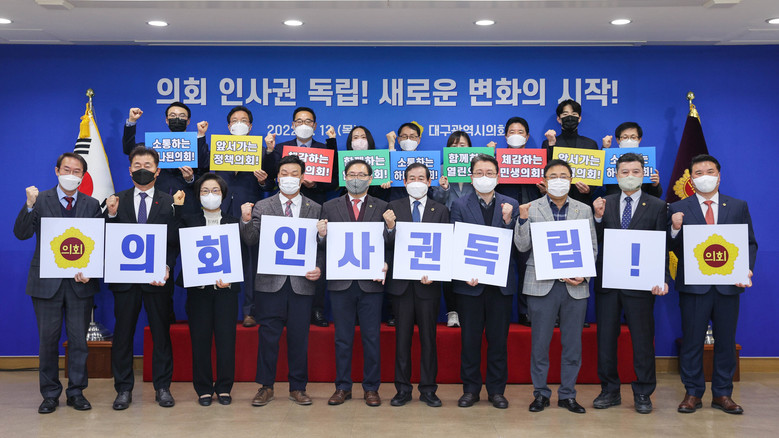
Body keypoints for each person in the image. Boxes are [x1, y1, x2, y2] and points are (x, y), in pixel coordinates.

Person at [14, 153, 102, 414]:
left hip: (80, 284)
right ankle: (50, 394)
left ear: (83, 176)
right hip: (46, 284)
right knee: (48, 342)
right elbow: (21, 233)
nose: (71, 175)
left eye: (77, 171)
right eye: (66, 169)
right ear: (56, 171)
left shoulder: (91, 204)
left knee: (79, 342)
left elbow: (98, 242)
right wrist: (29, 205)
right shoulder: (40, 199)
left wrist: (92, 271)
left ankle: (76, 392)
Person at [669, 154, 756, 415]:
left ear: (719, 176)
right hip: (694, 287)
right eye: (698, 173)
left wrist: (747, 268)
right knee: (692, 341)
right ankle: (693, 393)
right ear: (691, 179)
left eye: (710, 171)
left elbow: (749, 242)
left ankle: (722, 394)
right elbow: (670, 246)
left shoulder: (737, 206)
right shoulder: (677, 207)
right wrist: (674, 229)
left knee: (726, 341)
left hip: (728, 285)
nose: (704, 176)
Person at [515, 159, 597, 414]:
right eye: (553, 176)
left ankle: (568, 395)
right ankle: (540, 394)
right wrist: (522, 219)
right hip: (541, 285)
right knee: (540, 344)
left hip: (575, 287)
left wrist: (584, 275)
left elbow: (592, 247)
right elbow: (521, 246)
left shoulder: (583, 209)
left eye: (563, 175)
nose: (558, 180)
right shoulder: (532, 208)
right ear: (544, 181)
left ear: (570, 180)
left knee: (572, 345)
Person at [240, 155, 323, 407]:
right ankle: (265, 386)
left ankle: (298, 387)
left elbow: (320, 246)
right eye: (284, 173)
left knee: (299, 337)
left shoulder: (315, 208)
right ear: (277, 178)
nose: (289, 178)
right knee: (268, 337)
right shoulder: (263, 206)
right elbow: (251, 240)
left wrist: (319, 267)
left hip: (301, 283)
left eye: (294, 173)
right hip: (270, 283)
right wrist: (246, 220)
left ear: (303, 177)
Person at [591, 153, 669, 414]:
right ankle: (609, 390)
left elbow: (662, 244)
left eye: (636, 172)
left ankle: (643, 392)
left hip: (641, 284)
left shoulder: (657, 205)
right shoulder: (604, 203)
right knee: (606, 338)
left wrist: (662, 278)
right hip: (609, 282)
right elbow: (594, 240)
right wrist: (598, 218)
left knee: (643, 339)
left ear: (643, 174)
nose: (630, 176)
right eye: (624, 172)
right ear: (616, 175)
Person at [105, 146, 180, 410]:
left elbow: (175, 241)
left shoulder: (170, 202)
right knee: (123, 336)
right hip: (125, 282)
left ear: (157, 171)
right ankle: (123, 389)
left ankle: (163, 388)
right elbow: (106, 238)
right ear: (129, 170)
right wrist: (110, 215)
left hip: (157, 280)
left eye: (148, 166)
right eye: (137, 165)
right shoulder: (116, 200)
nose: (142, 170)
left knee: (161, 335)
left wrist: (168, 266)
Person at [317, 159, 389, 407]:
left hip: (371, 283)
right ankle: (342, 387)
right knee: (342, 338)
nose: (356, 179)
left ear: (371, 178)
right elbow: (321, 245)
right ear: (344, 177)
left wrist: (386, 262)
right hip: (341, 283)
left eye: (361, 174)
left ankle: (371, 388)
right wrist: (321, 235)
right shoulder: (329, 206)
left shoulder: (383, 206)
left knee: (371, 338)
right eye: (352, 174)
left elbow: (390, 242)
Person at [450, 154, 519, 409]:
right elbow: (455, 240)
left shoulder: (511, 204)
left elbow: (519, 245)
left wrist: (510, 221)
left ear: (498, 177)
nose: (484, 177)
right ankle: (470, 390)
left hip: (500, 286)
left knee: (498, 341)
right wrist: (463, 271)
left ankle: (497, 391)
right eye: (479, 173)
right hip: (470, 285)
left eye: (489, 173)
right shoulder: (459, 204)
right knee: (470, 341)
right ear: (471, 177)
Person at [383, 163, 450, 408]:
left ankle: (428, 389)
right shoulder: (393, 207)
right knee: (402, 339)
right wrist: (390, 228)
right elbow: (386, 244)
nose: (416, 182)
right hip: (401, 285)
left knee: (428, 339)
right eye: (412, 178)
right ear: (404, 181)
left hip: (427, 285)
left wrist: (436, 273)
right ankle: (402, 389)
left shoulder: (440, 209)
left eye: (421, 177)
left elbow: (445, 245)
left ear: (429, 182)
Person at [174, 173, 240, 407]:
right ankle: (203, 388)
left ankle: (224, 387)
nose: (210, 195)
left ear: (223, 195)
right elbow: (173, 241)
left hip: (226, 292)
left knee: (226, 340)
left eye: (215, 191)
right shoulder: (188, 221)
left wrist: (231, 279)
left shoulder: (234, 222)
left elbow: (241, 256)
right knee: (200, 340)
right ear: (198, 195)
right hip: (199, 292)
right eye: (204, 191)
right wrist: (177, 209)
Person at [266, 106, 335, 328]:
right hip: (283, 211)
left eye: (308, 121)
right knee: (284, 256)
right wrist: (269, 153)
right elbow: (270, 179)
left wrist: (315, 184)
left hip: (313, 208)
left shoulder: (324, 148)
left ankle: (316, 309)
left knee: (316, 259)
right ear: (293, 125)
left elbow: (334, 183)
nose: (303, 125)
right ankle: (283, 309)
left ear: (315, 125)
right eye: (299, 121)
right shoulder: (280, 148)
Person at [214, 105, 275, 328]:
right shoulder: (218, 149)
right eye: (234, 120)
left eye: (243, 120)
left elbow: (270, 184)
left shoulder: (261, 151)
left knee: (250, 264)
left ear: (250, 126)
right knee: (221, 261)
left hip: (250, 211)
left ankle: (250, 311)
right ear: (229, 126)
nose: (238, 123)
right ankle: (223, 311)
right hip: (221, 210)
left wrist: (262, 180)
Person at [494, 116, 544, 327]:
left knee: (527, 266)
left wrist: (544, 189)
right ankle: (498, 312)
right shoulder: (496, 159)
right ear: (506, 136)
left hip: (530, 217)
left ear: (527, 136)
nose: (516, 135)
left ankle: (526, 312)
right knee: (501, 264)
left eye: (520, 132)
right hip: (503, 215)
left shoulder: (538, 160)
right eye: (512, 132)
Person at [122, 103, 209, 215]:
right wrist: (132, 121)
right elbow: (129, 149)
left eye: (182, 116)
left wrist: (190, 179)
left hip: (188, 204)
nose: (177, 119)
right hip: (158, 202)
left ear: (188, 121)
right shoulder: (155, 144)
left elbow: (204, 172)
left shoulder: (197, 145)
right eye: (172, 115)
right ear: (167, 120)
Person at [430, 130, 474, 327]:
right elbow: (436, 201)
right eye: (454, 145)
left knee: (470, 268)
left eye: (462, 145)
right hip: (449, 225)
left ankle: (468, 311)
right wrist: (444, 188)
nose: (458, 149)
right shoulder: (441, 169)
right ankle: (452, 312)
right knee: (449, 271)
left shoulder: (477, 169)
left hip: (472, 225)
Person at [541, 99, 598, 206]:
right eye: (565, 114)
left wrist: (589, 189)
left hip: (582, 201)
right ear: (559, 119)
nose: (570, 117)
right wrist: (552, 145)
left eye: (574, 114)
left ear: (579, 118)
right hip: (555, 199)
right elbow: (547, 168)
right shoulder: (549, 142)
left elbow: (596, 173)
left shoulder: (590, 144)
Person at [601, 122, 662, 198]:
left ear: (639, 139)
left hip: (640, 202)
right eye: (625, 137)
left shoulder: (647, 158)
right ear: (618, 140)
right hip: (614, 201)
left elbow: (656, 195)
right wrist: (605, 148)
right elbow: (598, 173)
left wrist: (655, 185)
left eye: (633, 137)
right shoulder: (610, 158)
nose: (629, 140)